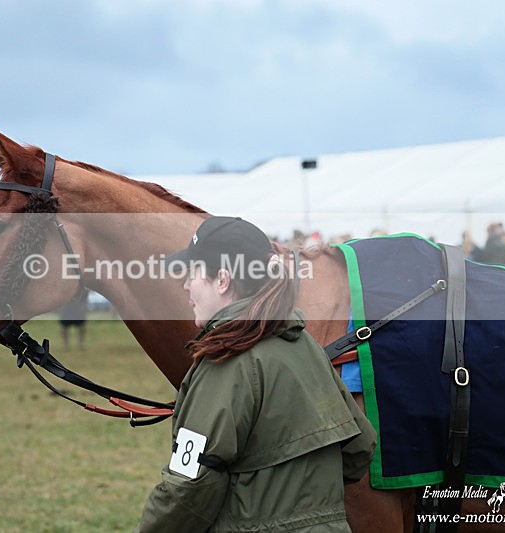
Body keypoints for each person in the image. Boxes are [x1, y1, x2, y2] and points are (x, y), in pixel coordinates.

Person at [136, 216, 376, 532]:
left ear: (222, 280)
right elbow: (361, 447)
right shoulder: (306, 346)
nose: (185, 285)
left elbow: (188, 484)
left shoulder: (227, 361)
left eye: (193, 273)